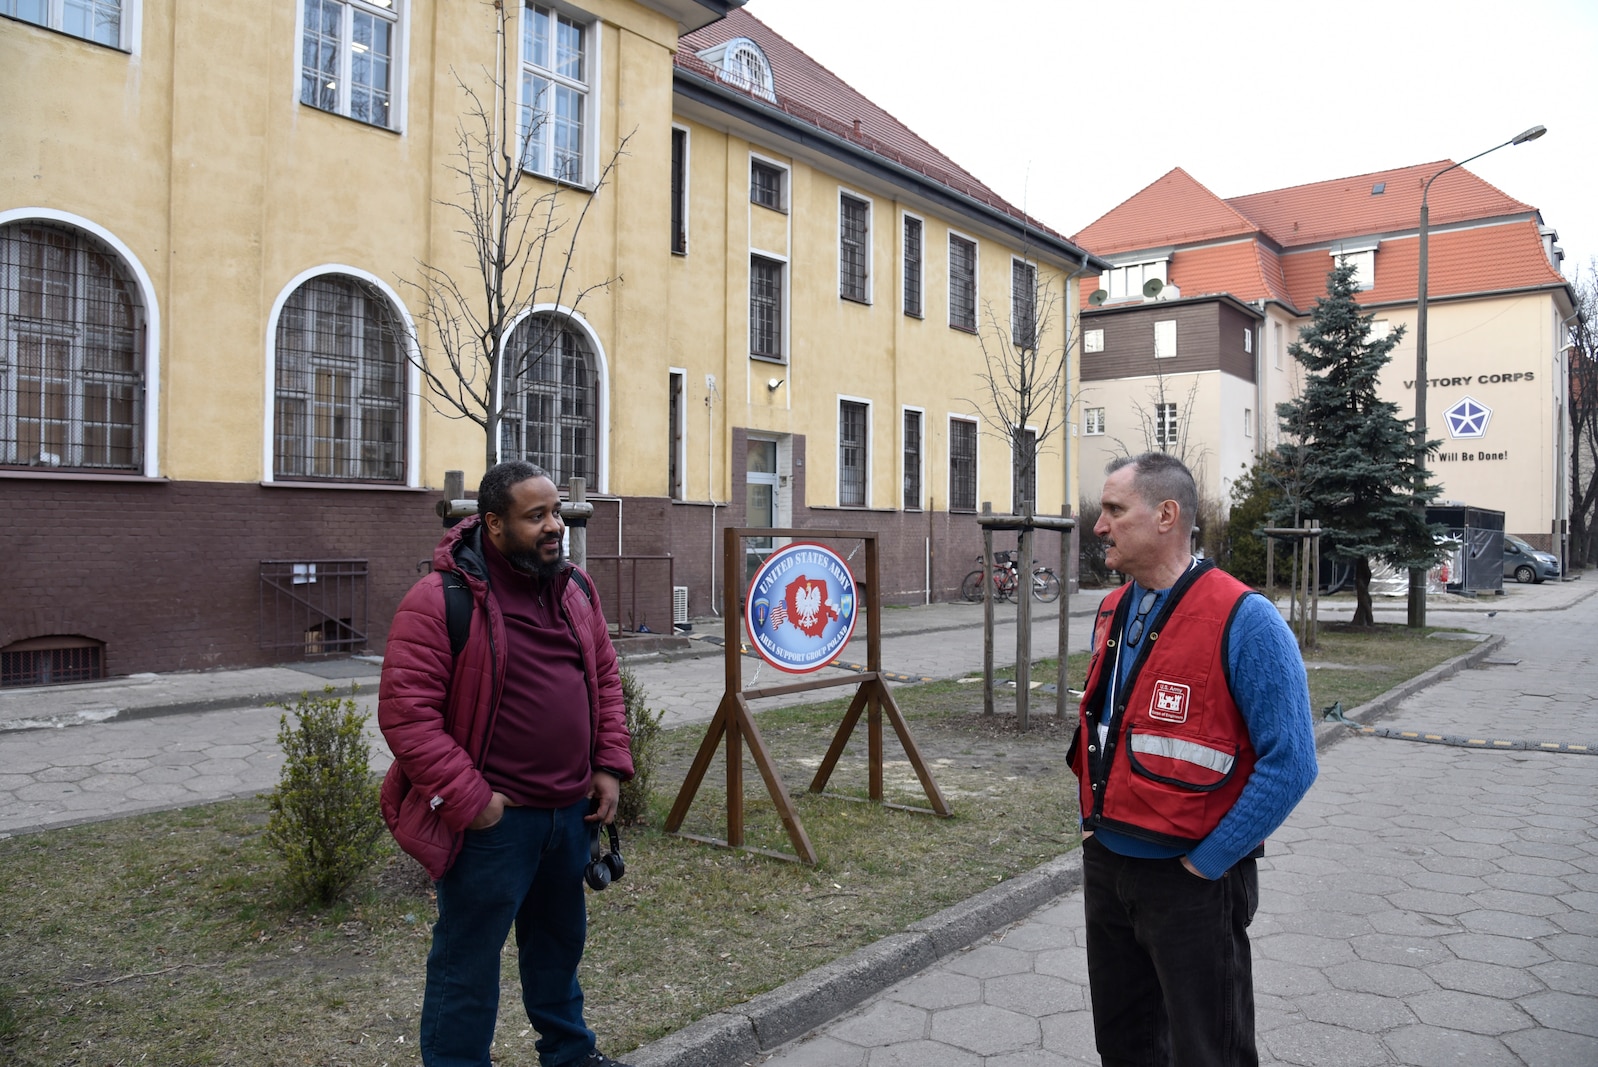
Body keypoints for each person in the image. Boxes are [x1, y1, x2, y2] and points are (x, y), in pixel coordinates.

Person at [378, 460, 635, 1067]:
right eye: (536, 516)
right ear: (492, 524)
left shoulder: (575, 589)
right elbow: (406, 717)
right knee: (466, 965)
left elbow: (602, 677)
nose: (555, 527)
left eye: (556, 513)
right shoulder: (438, 600)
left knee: (558, 950)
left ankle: (570, 1056)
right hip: (496, 827)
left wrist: (608, 763)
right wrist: (475, 804)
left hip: (569, 816)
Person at [1068, 453, 1318, 1066]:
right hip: (1109, 865)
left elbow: (1293, 761)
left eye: (1114, 510)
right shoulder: (1112, 610)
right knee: (1125, 1045)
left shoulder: (1246, 620)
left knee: (1210, 1052)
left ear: (1166, 516)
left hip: (1192, 881)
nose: (1098, 526)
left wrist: (1207, 865)